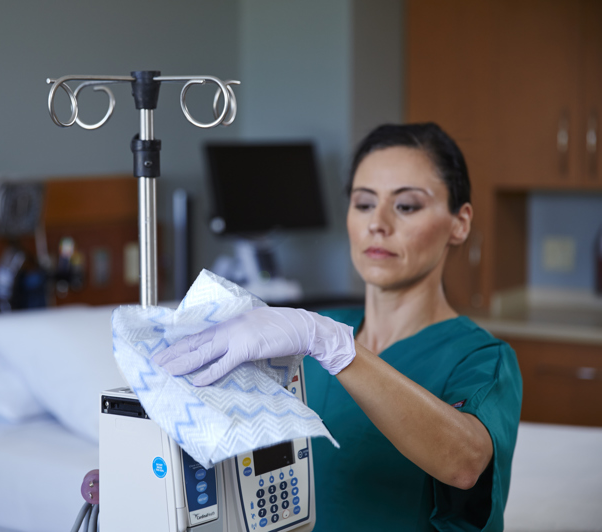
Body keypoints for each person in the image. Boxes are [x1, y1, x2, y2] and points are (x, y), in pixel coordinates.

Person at [154, 123, 523, 531]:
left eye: (406, 206)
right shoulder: (304, 340)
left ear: (460, 223)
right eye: (364, 203)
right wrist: (151, 478)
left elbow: (464, 463)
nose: (377, 223)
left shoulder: (480, 359)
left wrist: (330, 344)